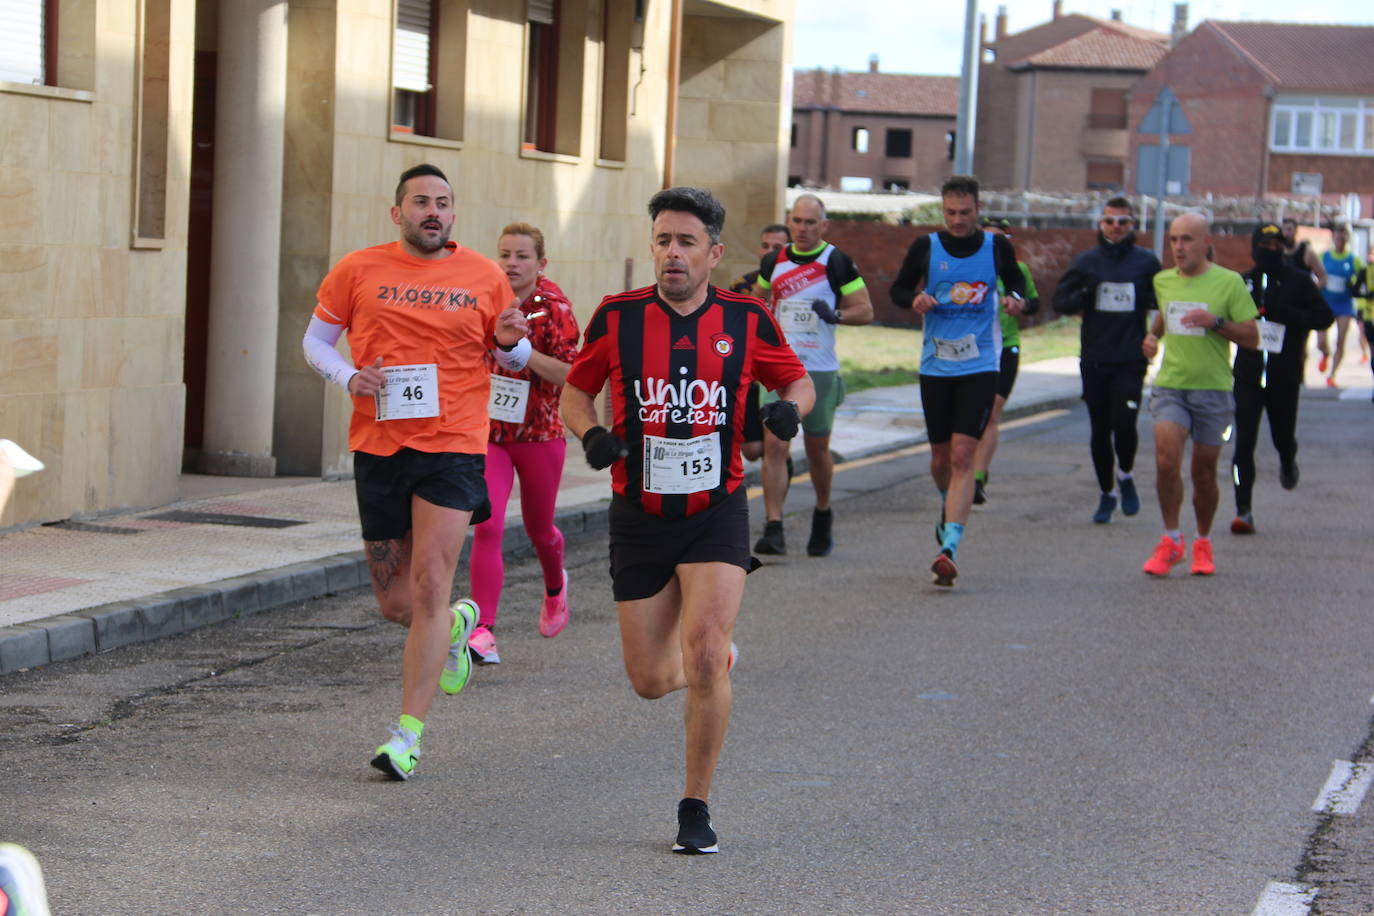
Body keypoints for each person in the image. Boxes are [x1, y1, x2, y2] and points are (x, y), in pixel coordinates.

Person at [560, 186, 815, 854]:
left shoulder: (747, 318)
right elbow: (576, 391)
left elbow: (797, 381)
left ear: (714, 252)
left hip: (716, 508)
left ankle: (695, 805)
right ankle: (716, 664)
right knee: (649, 680)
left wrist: (790, 411)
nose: (672, 254)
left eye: (686, 242)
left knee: (700, 656)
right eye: (663, 240)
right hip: (640, 512)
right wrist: (590, 434)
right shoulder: (618, 318)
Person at [302, 163, 527, 779]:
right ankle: (457, 624)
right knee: (397, 603)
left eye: (444, 202)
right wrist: (350, 376)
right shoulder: (357, 268)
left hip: (453, 446)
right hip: (379, 447)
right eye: (421, 201)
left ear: (454, 213)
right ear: (397, 212)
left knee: (430, 584)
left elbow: (517, 352)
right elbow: (314, 342)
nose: (434, 211)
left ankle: (407, 735)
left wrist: (510, 341)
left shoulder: (483, 275)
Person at [890, 175, 1027, 587]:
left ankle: (949, 544)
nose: (958, 220)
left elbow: (1019, 284)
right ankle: (947, 506)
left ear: (978, 209)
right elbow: (897, 289)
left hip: (981, 364)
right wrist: (913, 299)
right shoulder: (925, 247)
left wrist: (1014, 300)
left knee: (964, 456)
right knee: (940, 460)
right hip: (935, 366)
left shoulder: (995, 246)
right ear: (943, 210)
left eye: (965, 213)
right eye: (950, 212)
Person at [465, 223, 581, 665]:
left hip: (539, 434)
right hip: (491, 433)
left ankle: (555, 587)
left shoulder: (555, 308)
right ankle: (484, 631)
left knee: (539, 529)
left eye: (522, 256)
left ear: (541, 263)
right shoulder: (483, 299)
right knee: (488, 525)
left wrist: (521, 353)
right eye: (505, 255)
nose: (511, 263)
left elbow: (572, 375)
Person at [752, 195, 873, 557]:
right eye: (796, 221)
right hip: (778, 370)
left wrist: (835, 314)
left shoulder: (836, 261)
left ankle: (822, 512)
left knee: (816, 448)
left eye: (809, 222)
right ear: (788, 222)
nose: (802, 229)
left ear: (823, 225)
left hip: (818, 369)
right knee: (774, 445)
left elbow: (865, 310)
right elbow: (757, 303)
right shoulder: (774, 260)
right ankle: (774, 526)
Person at [1140, 212, 1258, 577]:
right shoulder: (1163, 281)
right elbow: (1163, 315)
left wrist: (1217, 323)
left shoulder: (1229, 283)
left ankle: (1202, 541)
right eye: (1174, 239)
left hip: (1214, 389)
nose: (1178, 247)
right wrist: (1152, 337)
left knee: (1203, 472)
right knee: (1165, 459)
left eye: (1187, 239)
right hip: (1171, 384)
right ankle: (1171, 539)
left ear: (1206, 243)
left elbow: (1253, 337)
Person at [1051, 196, 1161, 523]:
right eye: (1110, 221)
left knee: (1124, 424)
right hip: (1095, 357)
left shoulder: (1146, 263)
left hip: (1129, 357)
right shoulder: (1086, 263)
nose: (1116, 228)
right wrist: (1084, 294)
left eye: (1123, 222)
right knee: (1100, 429)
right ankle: (1106, 493)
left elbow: (1163, 300)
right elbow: (1061, 301)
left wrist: (1153, 333)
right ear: (1100, 224)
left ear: (1133, 226)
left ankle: (1125, 475)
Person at [1229, 223, 1332, 534]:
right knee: (1243, 442)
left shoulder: (1299, 281)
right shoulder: (1242, 282)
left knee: (1281, 437)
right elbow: (1225, 322)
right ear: (1255, 247)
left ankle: (1288, 460)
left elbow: (1324, 317)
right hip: (1247, 375)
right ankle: (1243, 510)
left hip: (1284, 376)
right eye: (1266, 244)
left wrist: (1288, 314)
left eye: (1277, 245)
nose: (1271, 250)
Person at [971, 217, 1040, 506]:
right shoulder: (968, 267)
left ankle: (976, 477)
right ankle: (966, 467)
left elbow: (1033, 301)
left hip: (1006, 349)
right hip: (972, 349)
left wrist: (1020, 304)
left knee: (991, 414)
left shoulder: (1017, 270)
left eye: (999, 239)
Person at [730, 224, 790, 463]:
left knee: (777, 445)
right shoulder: (742, 286)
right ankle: (782, 464)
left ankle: (780, 469)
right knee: (753, 450)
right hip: (752, 378)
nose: (770, 252)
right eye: (765, 246)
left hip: (784, 374)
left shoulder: (798, 284)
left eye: (777, 247)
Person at [1316, 225, 1365, 388]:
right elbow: (1314, 275)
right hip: (1325, 304)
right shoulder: (1323, 256)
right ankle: (1325, 353)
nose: (1340, 241)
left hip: (1344, 305)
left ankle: (1332, 375)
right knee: (1321, 342)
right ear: (1333, 239)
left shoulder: (1353, 260)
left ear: (1347, 240)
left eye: (1343, 239)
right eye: (1337, 238)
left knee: (1341, 340)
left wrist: (1355, 287)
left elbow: (1362, 280)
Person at [1280, 217, 1326, 287]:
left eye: (1289, 230)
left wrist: (1310, 293)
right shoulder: (1278, 250)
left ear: (1296, 231)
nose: (1286, 233)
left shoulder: (1306, 251)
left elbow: (1323, 278)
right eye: (1283, 230)